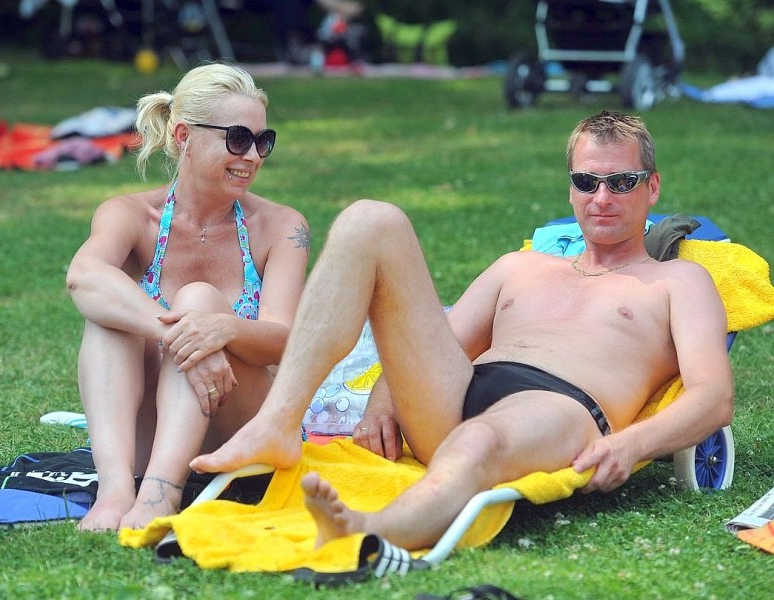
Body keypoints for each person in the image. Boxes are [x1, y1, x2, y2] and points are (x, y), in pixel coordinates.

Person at [189, 111, 733, 551]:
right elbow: (442, 341)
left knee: (478, 439)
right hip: (459, 394)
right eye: (587, 181)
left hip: (562, 408)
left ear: (652, 187)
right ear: (570, 188)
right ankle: (279, 422)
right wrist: (383, 404)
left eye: (622, 182)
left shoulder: (678, 281)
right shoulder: (518, 267)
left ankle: (369, 532)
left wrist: (632, 443)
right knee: (369, 219)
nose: (602, 197)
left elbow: (713, 396)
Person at [66, 63, 310, 532]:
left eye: (263, 141)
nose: (253, 156)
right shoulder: (131, 214)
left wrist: (220, 327)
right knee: (109, 313)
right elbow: (83, 277)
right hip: (152, 433)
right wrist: (188, 335)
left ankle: (160, 495)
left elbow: (284, 340)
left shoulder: (281, 226)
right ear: (184, 136)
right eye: (238, 139)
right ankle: (116, 492)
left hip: (244, 434)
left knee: (199, 300)